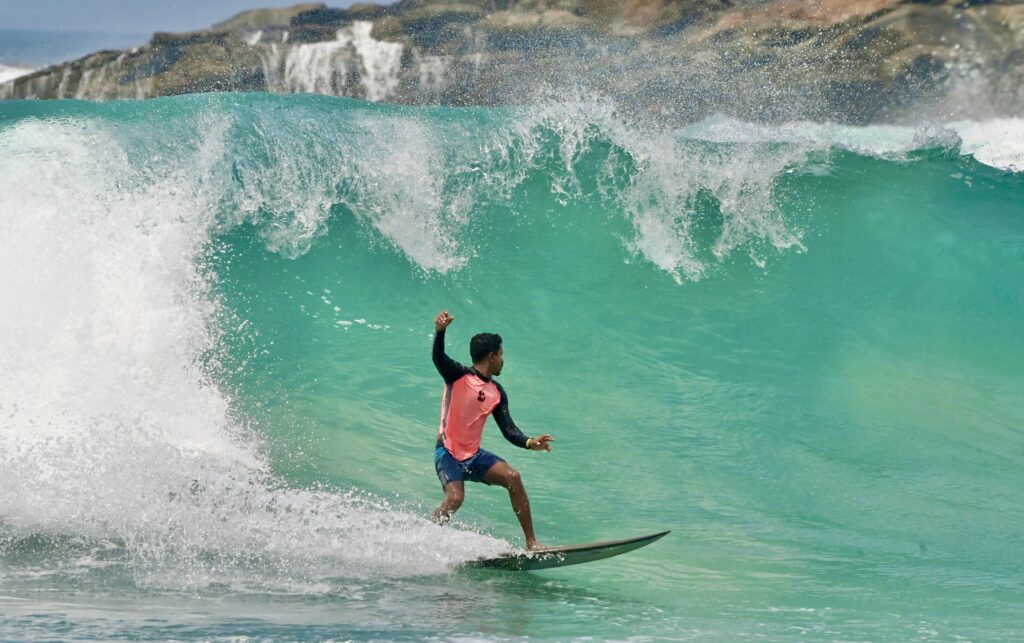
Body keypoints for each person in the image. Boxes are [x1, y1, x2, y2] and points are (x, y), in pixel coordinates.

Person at [430, 310, 554, 550]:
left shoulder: (496, 392)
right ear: (491, 356)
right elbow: (438, 357)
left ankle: (532, 543)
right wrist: (440, 331)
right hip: (447, 453)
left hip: (473, 456)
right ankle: (427, 536)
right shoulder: (457, 375)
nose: (503, 360)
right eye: (501, 354)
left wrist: (530, 442)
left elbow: (509, 429)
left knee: (513, 478)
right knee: (455, 498)